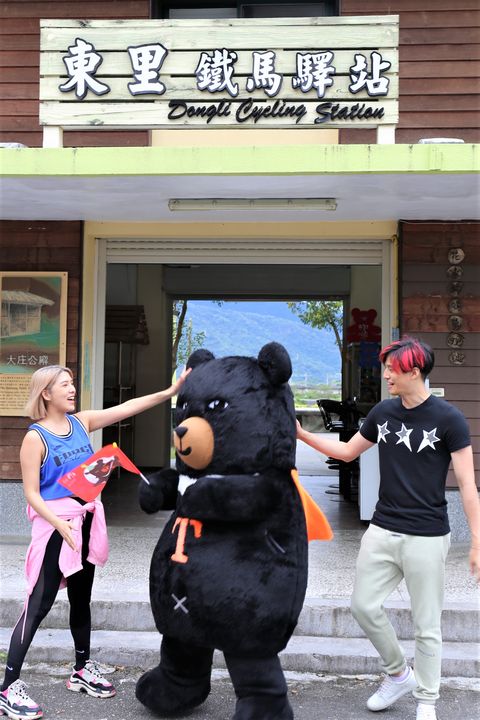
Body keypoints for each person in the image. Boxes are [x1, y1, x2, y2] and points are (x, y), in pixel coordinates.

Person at [297, 337, 480, 720]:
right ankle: (399, 673)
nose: (386, 375)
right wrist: (300, 435)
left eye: (392, 369)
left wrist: (477, 541)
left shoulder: (449, 420)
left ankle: (427, 701)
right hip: (382, 529)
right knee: (362, 606)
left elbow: (467, 486)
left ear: (414, 371)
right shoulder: (383, 412)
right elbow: (347, 452)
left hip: (428, 535)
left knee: (426, 624)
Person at [0, 364, 189, 720]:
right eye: (65, 385)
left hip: (84, 522)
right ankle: (8, 687)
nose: (73, 390)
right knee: (37, 605)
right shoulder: (34, 438)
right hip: (57, 529)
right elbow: (31, 494)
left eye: (72, 384)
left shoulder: (81, 423)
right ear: (46, 393)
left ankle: (82, 670)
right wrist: (59, 524)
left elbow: (126, 408)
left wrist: (168, 393)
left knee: (81, 598)